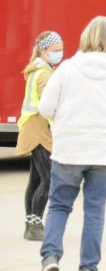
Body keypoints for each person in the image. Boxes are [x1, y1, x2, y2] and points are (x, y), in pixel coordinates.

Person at [36, 16, 106, 271]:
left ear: (85, 38)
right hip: (104, 152)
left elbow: (46, 108)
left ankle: (50, 257)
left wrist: (62, 124)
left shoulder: (67, 69)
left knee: (59, 206)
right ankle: (89, 269)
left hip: (69, 150)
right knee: (95, 210)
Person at [15, 31, 64, 241]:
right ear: (44, 50)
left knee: (36, 179)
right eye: (55, 51)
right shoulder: (44, 73)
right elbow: (47, 102)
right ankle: (34, 224)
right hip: (39, 131)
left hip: (34, 128)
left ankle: (31, 223)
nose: (59, 54)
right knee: (49, 178)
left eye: (60, 50)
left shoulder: (38, 68)